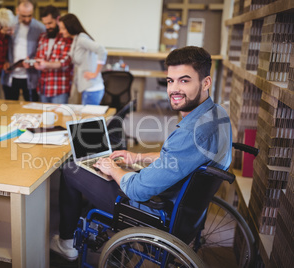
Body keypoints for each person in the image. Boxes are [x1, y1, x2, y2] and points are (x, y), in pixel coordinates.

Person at [50, 46, 233, 261]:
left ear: (206, 83)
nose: (174, 89)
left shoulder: (191, 134)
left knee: (71, 169)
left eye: (184, 81)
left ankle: (67, 243)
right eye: (170, 81)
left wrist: (114, 168)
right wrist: (136, 157)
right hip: (183, 208)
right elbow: (177, 158)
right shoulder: (217, 114)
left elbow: (137, 190)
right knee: (100, 170)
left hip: (155, 211)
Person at [1, 0, 45, 101]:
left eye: (30, 15)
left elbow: (43, 51)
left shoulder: (40, 28)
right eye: (23, 16)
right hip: (10, 75)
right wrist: (5, 61)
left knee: (32, 109)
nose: (27, 19)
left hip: (31, 76)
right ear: (17, 11)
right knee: (10, 108)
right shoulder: (9, 25)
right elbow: (1, 46)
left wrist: (32, 61)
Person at [58, 13, 107, 105]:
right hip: (86, 88)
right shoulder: (76, 39)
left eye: (63, 28)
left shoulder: (82, 39)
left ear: (70, 27)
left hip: (92, 88)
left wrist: (95, 73)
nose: (60, 31)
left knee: (89, 119)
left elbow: (102, 50)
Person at [33, 5, 73, 104]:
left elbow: (65, 62)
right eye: (45, 24)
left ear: (58, 19)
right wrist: (34, 64)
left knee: (59, 119)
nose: (47, 27)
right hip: (43, 88)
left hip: (59, 89)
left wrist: (45, 64)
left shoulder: (66, 37)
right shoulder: (42, 37)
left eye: (50, 23)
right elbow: (38, 58)